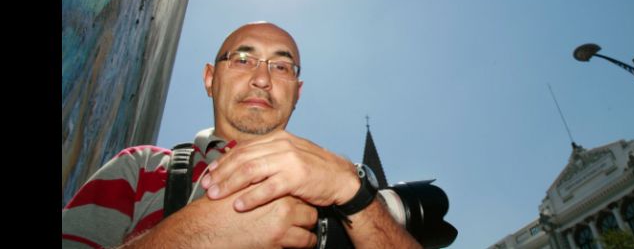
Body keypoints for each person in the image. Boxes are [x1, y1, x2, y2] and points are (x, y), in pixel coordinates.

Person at [62, 22, 421, 248]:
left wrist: (355, 198)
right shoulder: (140, 171)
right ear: (209, 78)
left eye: (281, 66)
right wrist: (197, 235)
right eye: (242, 59)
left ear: (297, 92)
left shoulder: (334, 196)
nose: (262, 78)